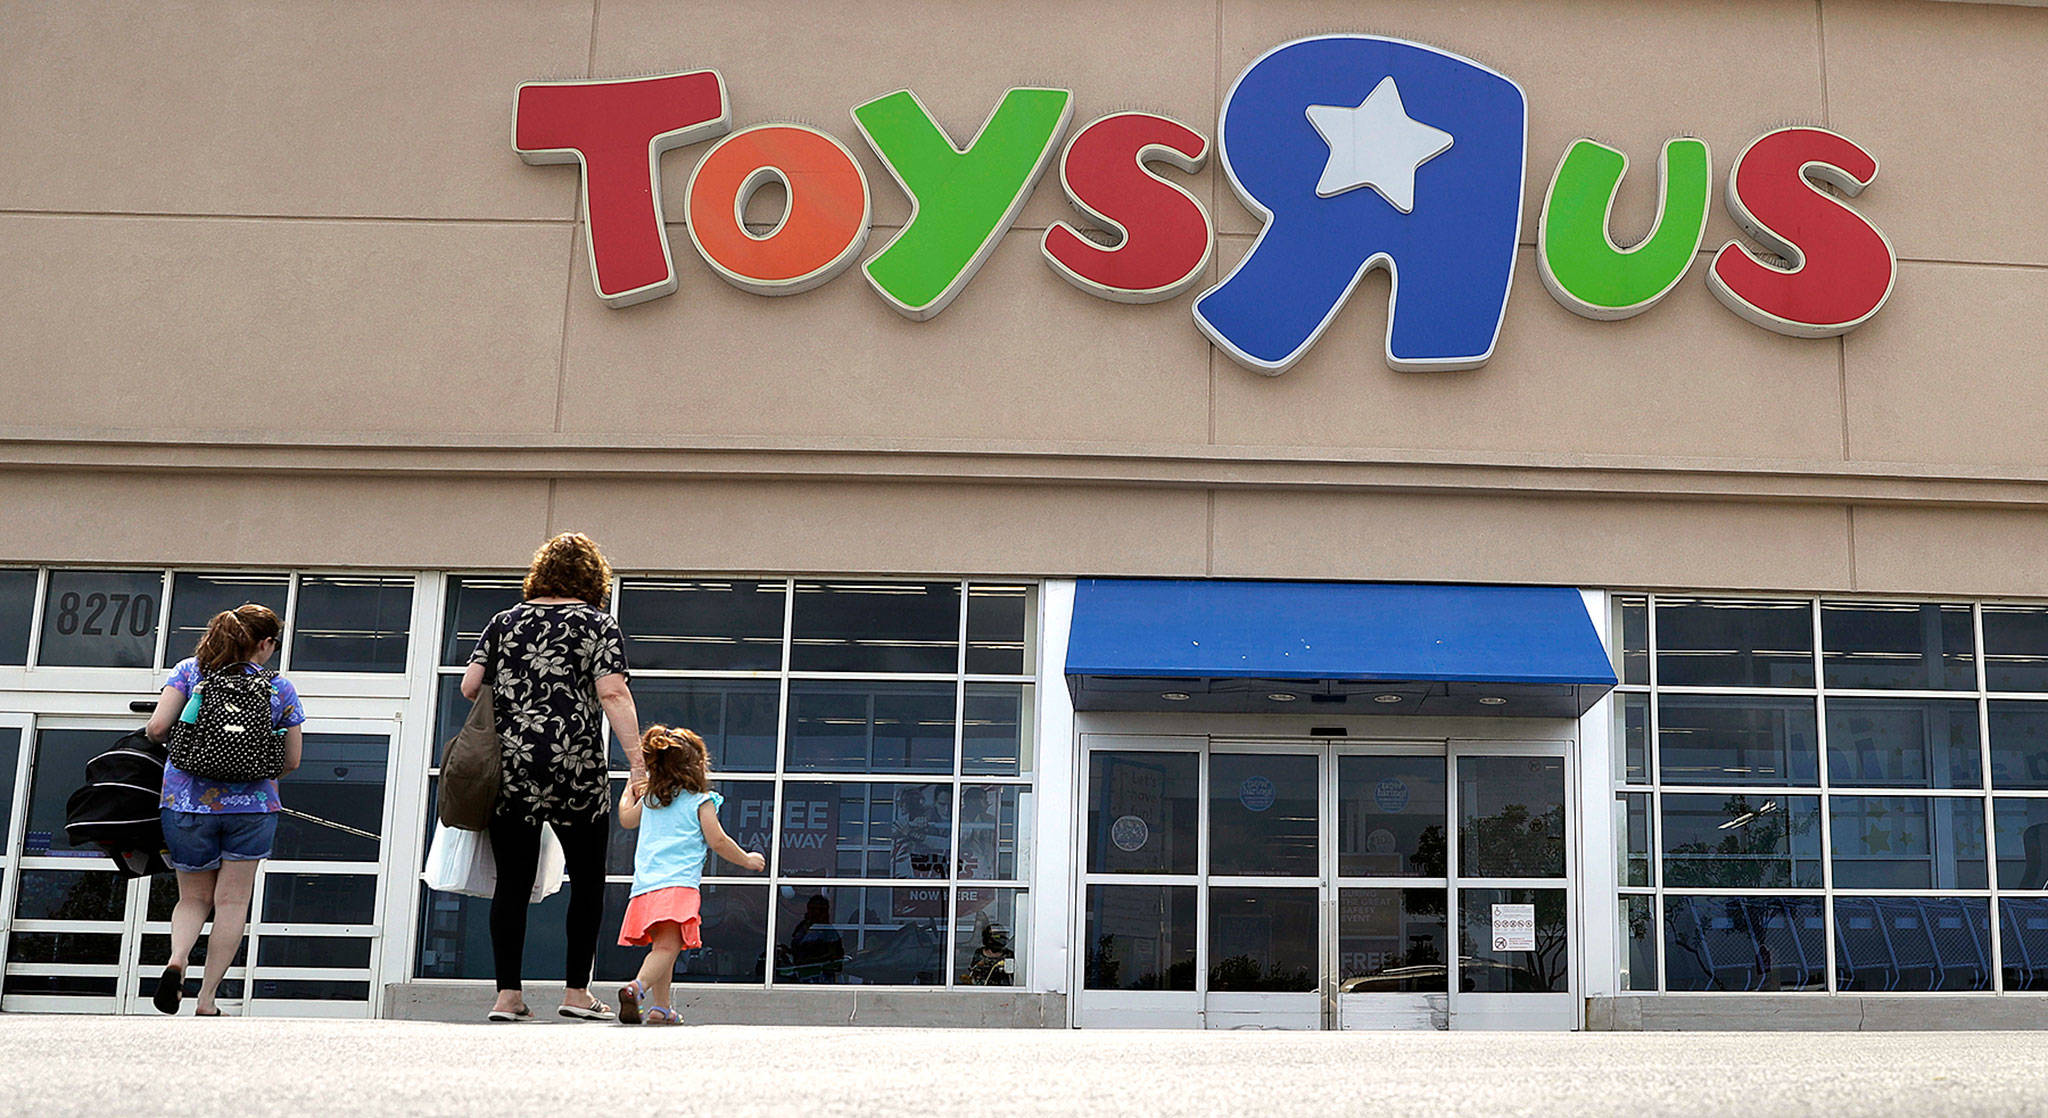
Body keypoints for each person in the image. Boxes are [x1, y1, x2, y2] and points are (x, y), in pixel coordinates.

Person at [462, 532, 642, 1022]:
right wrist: (638, 763)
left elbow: (469, 685)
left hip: (513, 767)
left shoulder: (503, 622)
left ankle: (508, 996)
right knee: (587, 880)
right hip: (574, 764)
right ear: (591, 577)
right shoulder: (597, 624)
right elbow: (613, 695)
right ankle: (576, 992)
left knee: (512, 884)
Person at [143, 604, 303, 1016]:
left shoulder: (189, 672)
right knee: (232, 903)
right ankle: (207, 999)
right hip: (251, 808)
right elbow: (292, 760)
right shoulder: (278, 687)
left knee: (192, 898)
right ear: (265, 643)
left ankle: (177, 960)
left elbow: (157, 728)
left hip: (187, 802)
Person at [613, 726, 765, 1025]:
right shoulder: (700, 800)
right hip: (678, 886)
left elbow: (625, 818)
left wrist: (630, 790)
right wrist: (747, 860)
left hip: (646, 888)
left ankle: (661, 1008)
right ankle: (636, 988)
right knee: (669, 948)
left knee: (663, 949)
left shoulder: (652, 800)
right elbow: (717, 840)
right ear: (697, 765)